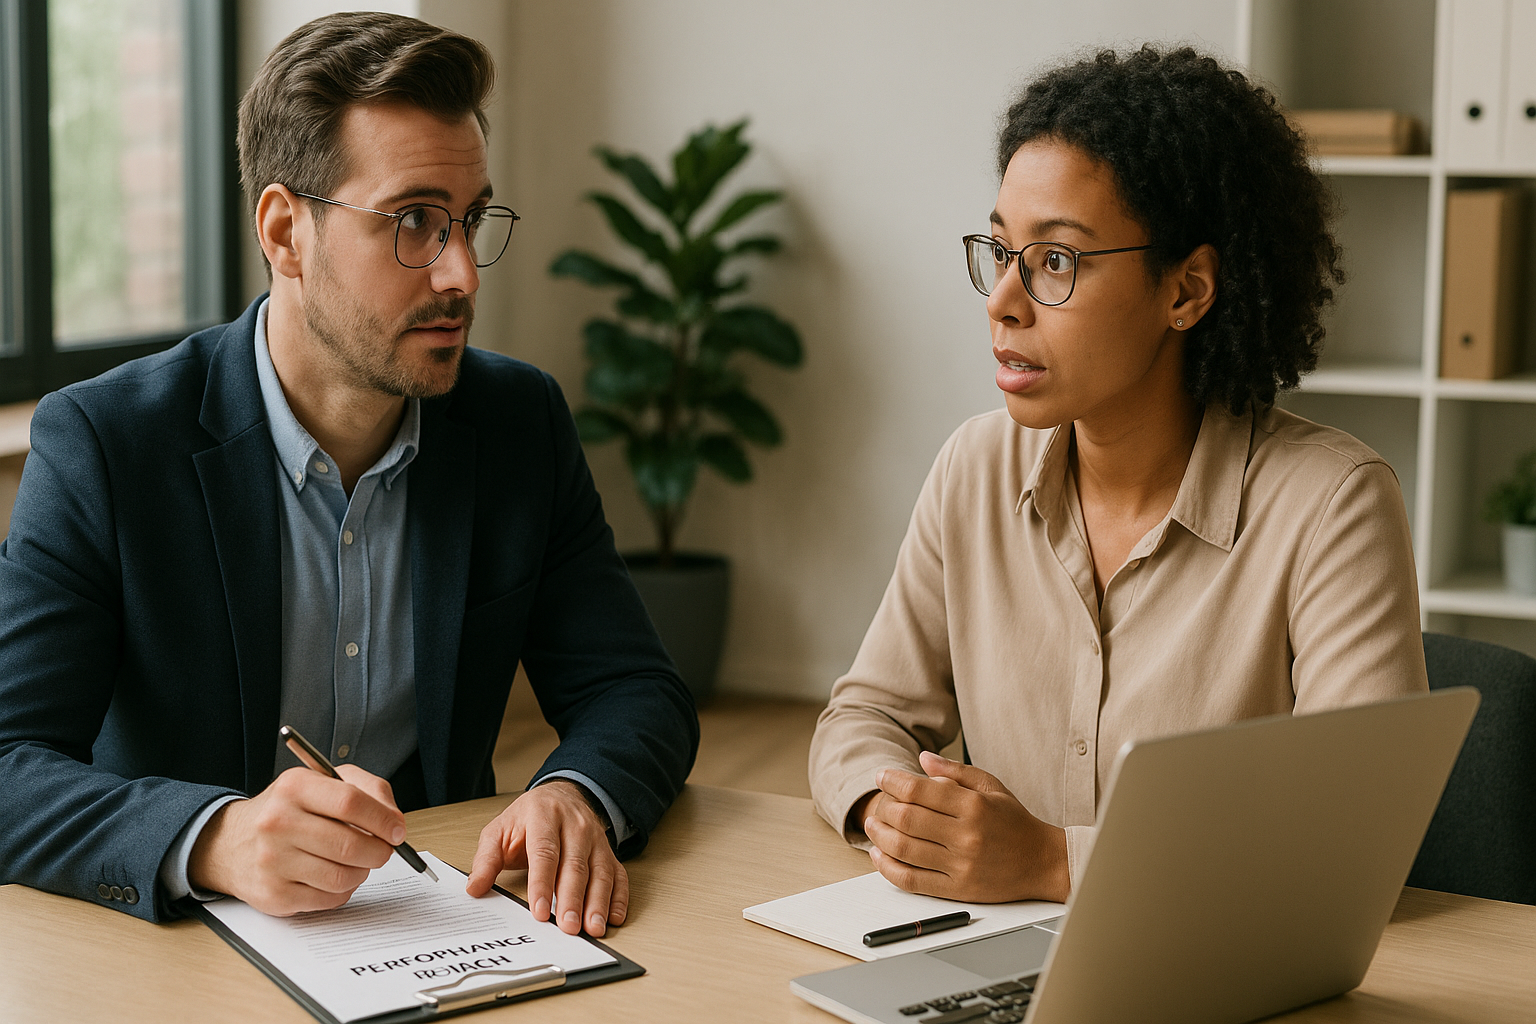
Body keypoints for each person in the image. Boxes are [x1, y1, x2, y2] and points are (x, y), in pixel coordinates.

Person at [0, 12, 697, 935]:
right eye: (413, 222)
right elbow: (9, 760)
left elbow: (634, 688)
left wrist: (577, 792)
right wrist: (217, 837)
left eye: (471, 220)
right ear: (285, 232)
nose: (461, 275)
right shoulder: (107, 441)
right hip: (183, 956)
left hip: (445, 931)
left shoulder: (518, 422)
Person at [808, 46, 1428, 904]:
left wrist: (1056, 863)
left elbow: (1356, 845)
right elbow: (862, 716)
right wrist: (893, 807)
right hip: (988, 955)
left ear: (1187, 291)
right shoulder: (975, 468)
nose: (1003, 301)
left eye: (1055, 261)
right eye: (1000, 251)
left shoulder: (1332, 505)